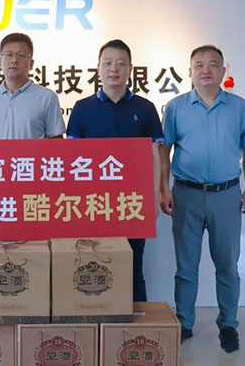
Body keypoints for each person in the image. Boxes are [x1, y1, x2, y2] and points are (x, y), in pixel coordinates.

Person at [159, 45, 245, 353]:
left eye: (213, 64)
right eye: (199, 64)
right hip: (186, 195)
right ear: (189, 71)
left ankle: (228, 325)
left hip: (226, 196)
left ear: (223, 71)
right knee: (186, 267)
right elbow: (164, 150)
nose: (206, 70)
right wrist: (163, 187)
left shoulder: (238, 107)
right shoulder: (175, 107)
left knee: (227, 265)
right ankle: (185, 322)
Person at [67, 39, 163, 303]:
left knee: (133, 263)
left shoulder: (145, 108)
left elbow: (154, 155)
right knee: (92, 261)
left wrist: (154, 195)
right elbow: (72, 159)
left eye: (121, 63)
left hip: (132, 201)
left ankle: (137, 318)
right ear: (98, 68)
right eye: (108, 63)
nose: (114, 69)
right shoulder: (82, 108)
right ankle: (94, 312)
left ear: (130, 68)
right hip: (92, 202)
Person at [0, 32, 65, 139]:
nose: (14, 60)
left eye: (21, 55)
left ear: (31, 63)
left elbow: (57, 141)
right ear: (0, 61)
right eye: (8, 54)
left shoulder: (47, 97)